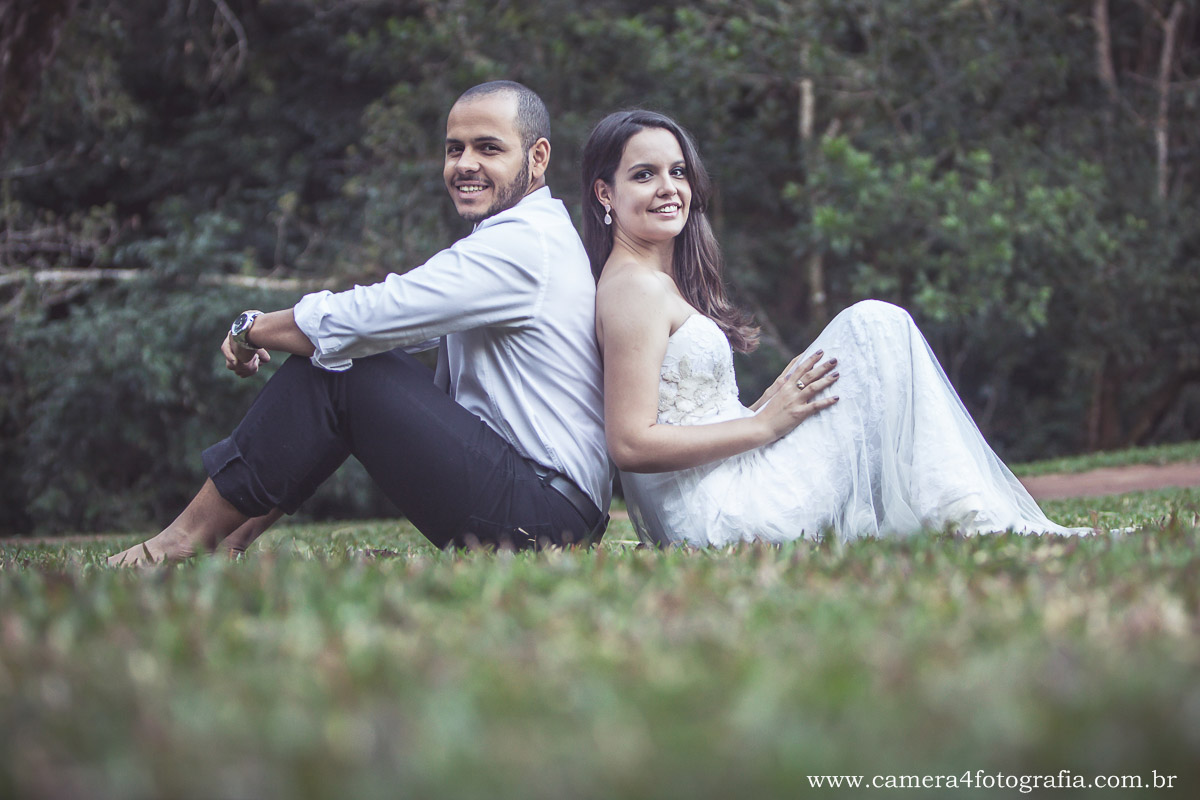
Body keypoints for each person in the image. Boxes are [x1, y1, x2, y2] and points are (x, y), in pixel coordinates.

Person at [109, 81, 610, 566]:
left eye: (488, 148)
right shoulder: (522, 236)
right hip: (549, 510)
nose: (465, 165)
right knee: (347, 357)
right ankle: (227, 541)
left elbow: (370, 317)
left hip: (541, 517)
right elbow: (389, 326)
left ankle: (183, 541)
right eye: (454, 149)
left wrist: (252, 329)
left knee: (346, 364)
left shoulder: (523, 245)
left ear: (537, 157)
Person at [581, 109, 1089, 547]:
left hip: (726, 491)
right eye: (644, 175)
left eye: (678, 172)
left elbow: (683, 416)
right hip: (725, 513)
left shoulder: (646, 281)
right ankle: (970, 516)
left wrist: (762, 406)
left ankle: (969, 514)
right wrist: (762, 426)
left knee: (871, 332)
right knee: (873, 324)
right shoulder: (635, 290)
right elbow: (630, 443)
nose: (670, 189)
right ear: (605, 192)